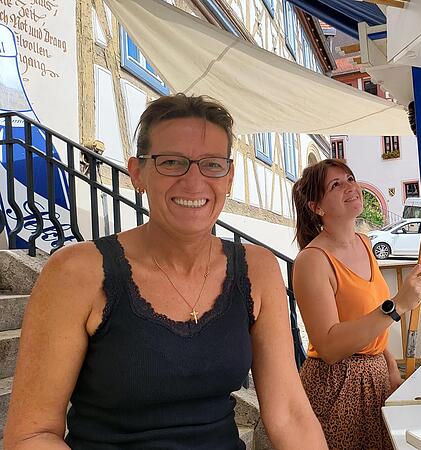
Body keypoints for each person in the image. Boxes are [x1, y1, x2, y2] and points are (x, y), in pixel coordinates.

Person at [3, 94, 327, 449]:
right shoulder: (77, 272)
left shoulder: (257, 269)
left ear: (229, 176)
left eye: (212, 164)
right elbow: (32, 435)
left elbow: (290, 413)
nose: (193, 181)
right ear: (138, 172)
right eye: (172, 162)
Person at [291, 159, 421, 449]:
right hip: (336, 387)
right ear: (317, 207)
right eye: (335, 184)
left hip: (376, 375)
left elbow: (368, 321)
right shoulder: (312, 261)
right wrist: (397, 305)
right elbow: (328, 347)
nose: (350, 187)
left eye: (350, 178)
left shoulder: (365, 243)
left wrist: (390, 364)